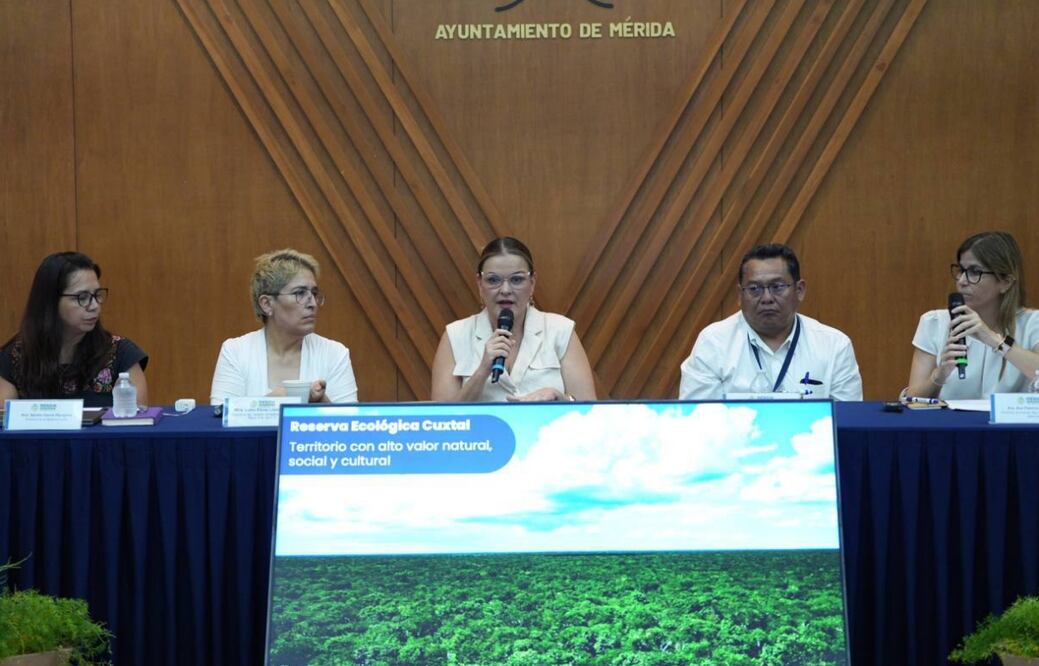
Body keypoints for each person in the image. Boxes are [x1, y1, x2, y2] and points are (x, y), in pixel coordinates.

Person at [679, 243, 863, 400]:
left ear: (799, 290)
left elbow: (847, 420)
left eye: (777, 287)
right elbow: (697, 419)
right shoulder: (713, 343)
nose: (767, 298)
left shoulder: (834, 345)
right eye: (754, 289)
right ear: (740, 295)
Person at [431, 237, 596, 402]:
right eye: (493, 280)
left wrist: (558, 398)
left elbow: (590, 409)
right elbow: (440, 416)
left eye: (517, 280)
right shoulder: (456, 336)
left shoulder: (560, 331)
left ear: (532, 283)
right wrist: (482, 371)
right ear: (480, 284)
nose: (505, 290)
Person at [0, 252, 148, 407]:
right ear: (51, 302)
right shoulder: (14, 358)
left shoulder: (120, 354)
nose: (94, 306)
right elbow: (3, 419)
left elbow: (137, 419)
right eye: (82, 297)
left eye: (97, 295)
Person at [210, 249, 358, 404]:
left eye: (314, 293)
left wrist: (321, 402)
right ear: (267, 304)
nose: (313, 304)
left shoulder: (334, 354)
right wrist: (279, 399)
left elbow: (349, 418)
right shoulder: (235, 352)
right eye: (300, 293)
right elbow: (221, 415)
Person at [906, 231, 1039, 399]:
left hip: (1008, 418)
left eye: (975, 272)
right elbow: (911, 400)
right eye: (961, 270)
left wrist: (994, 340)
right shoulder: (935, 323)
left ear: (1005, 282)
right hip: (950, 417)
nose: (962, 280)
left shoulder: (1032, 323)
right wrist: (938, 376)